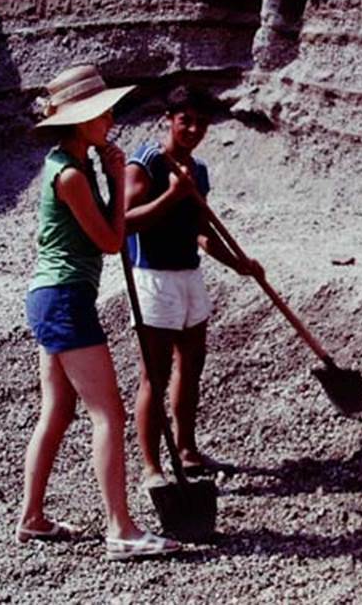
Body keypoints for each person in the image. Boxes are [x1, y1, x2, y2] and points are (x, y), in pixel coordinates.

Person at [18, 64, 181, 560]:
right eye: (102, 113)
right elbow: (112, 241)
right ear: (78, 121)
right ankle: (121, 530)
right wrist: (114, 177)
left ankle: (32, 519)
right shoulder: (71, 174)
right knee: (108, 413)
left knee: (58, 410)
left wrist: (107, 178)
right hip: (64, 298)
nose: (110, 119)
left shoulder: (72, 162)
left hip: (53, 296)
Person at [124, 85, 261, 489]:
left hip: (189, 275)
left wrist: (239, 264)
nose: (194, 130)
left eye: (202, 123)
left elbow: (201, 233)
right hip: (152, 277)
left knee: (191, 365)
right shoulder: (145, 162)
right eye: (186, 121)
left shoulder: (197, 170)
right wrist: (172, 194)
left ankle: (187, 451)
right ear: (168, 119)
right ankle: (152, 469)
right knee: (155, 374)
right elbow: (126, 222)